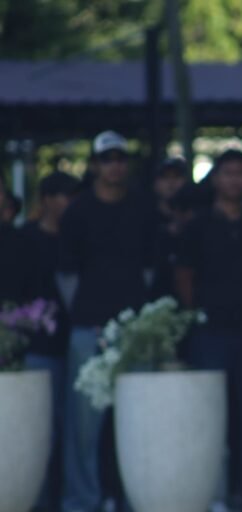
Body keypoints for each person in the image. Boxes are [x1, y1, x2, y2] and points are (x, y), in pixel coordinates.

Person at [58, 130, 156, 512]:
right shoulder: (78, 211)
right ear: (95, 165)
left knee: (137, 422)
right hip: (88, 330)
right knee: (83, 426)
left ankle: (138, 497)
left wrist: (133, 316)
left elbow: (150, 268)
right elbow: (66, 276)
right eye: (107, 159)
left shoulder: (142, 208)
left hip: (135, 332)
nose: (115, 165)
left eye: (120, 158)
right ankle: (82, 501)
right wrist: (88, 314)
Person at [175, 149, 242, 512]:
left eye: (240, 173)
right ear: (215, 178)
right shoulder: (197, 227)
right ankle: (212, 494)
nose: (234, 180)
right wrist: (196, 315)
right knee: (209, 417)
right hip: (210, 333)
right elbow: (184, 274)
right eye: (227, 173)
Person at [21, 171, 80, 512]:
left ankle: (68, 501)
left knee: (74, 432)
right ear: (45, 199)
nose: (69, 205)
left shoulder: (81, 237)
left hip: (76, 346)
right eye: (63, 196)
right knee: (40, 431)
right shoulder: (25, 238)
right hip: (37, 350)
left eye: (74, 197)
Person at [150, 157, 191, 299]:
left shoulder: (198, 223)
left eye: (177, 177)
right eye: (165, 177)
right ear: (156, 183)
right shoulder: (146, 222)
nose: (171, 183)